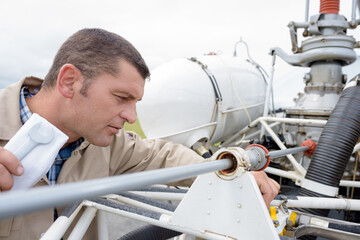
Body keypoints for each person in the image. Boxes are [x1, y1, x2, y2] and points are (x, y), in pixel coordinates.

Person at [0, 28, 279, 239]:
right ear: (70, 82)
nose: (132, 117)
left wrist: (232, 169)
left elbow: (162, 156)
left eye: (135, 103)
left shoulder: (107, 145)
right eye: (121, 97)